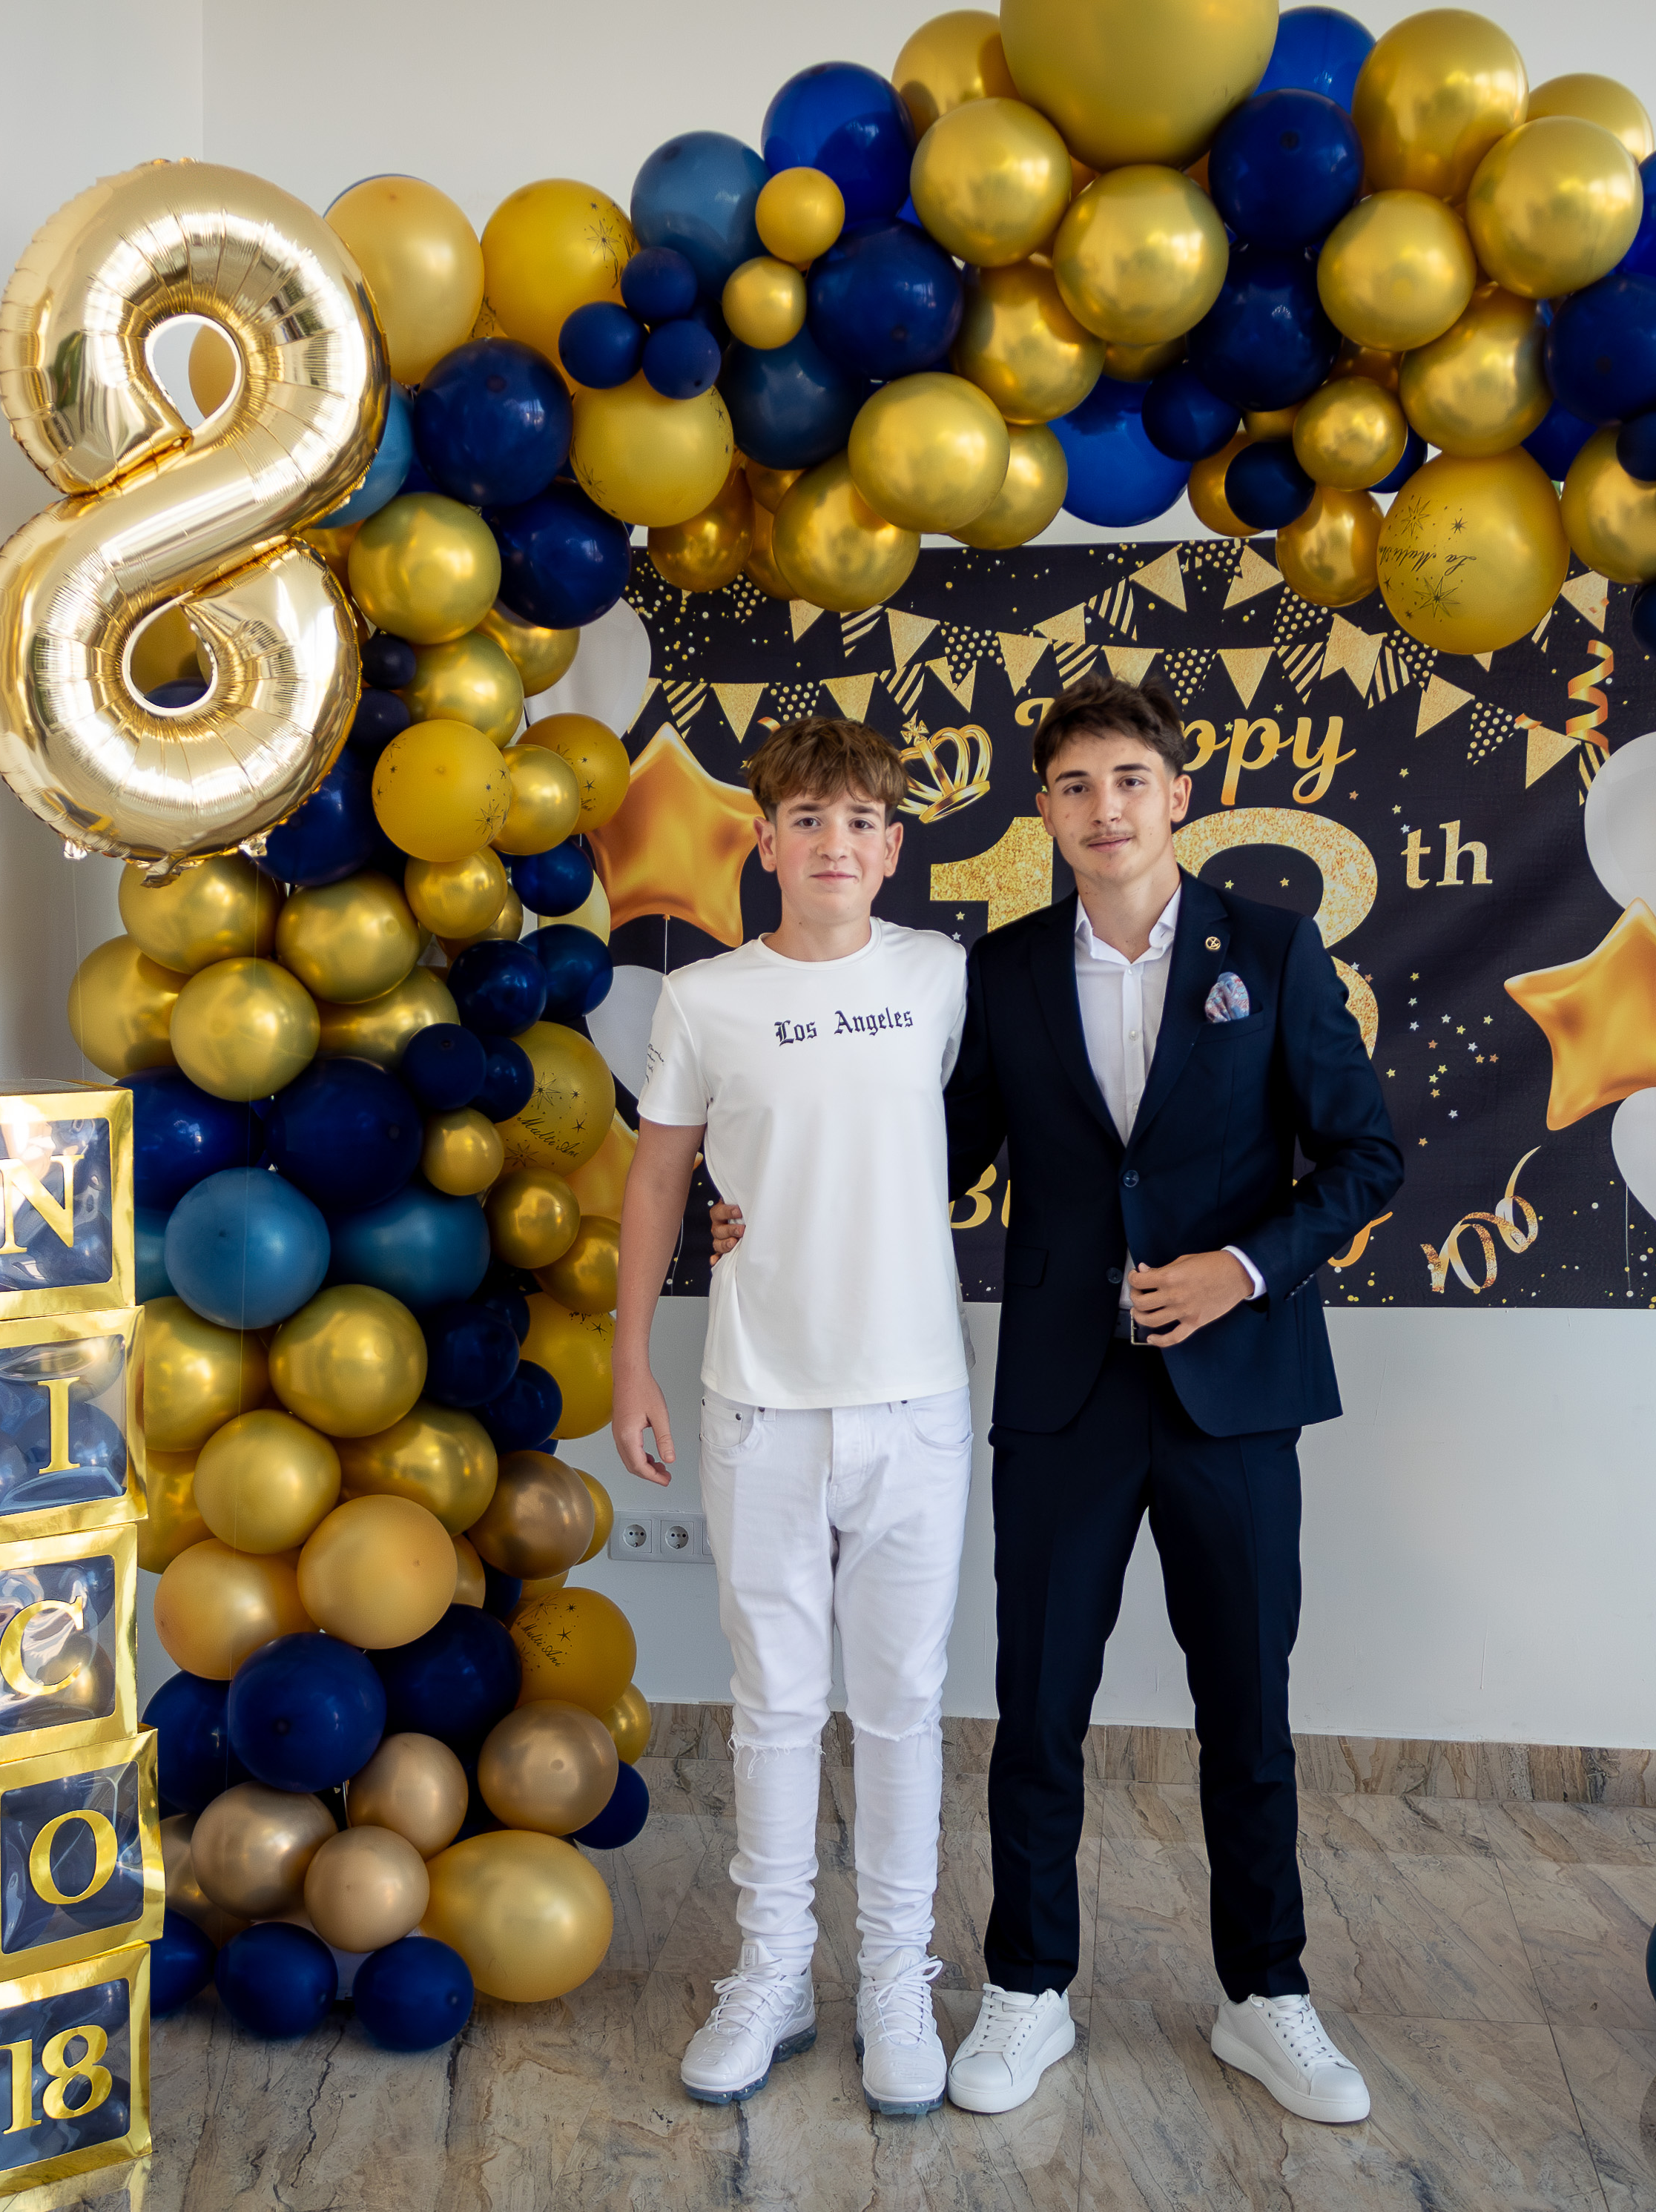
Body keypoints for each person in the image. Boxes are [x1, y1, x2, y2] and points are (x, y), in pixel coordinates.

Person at [712, 673, 1406, 2124]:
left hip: (1235, 1389)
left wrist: (1237, 1269)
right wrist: (757, 1202)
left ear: (1177, 795)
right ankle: (1027, 1989)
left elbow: (1364, 1160)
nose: (1105, 809)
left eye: (1129, 781)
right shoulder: (1005, 969)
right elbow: (923, 1149)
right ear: (1044, 810)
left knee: (1248, 1710)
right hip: (1060, 1392)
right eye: (1076, 786)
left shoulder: (1272, 949)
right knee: (1035, 1710)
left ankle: (1264, 1994)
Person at [607, 718, 974, 2117]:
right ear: (763, 841)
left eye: (860, 821)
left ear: (894, 846)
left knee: (899, 1706)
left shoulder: (939, 976)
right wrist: (633, 1363)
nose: (834, 843)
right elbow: (659, 1182)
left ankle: (892, 1979)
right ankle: (770, 1974)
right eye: (808, 819)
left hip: (913, 1402)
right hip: (758, 1402)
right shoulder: (704, 999)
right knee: (772, 1703)